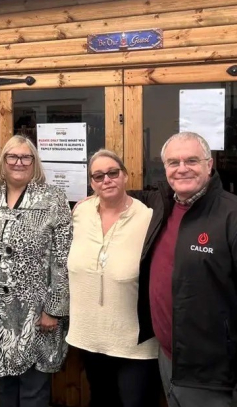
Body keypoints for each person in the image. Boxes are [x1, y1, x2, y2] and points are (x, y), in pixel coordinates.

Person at [134, 131, 237, 407]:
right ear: (164, 168)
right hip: (169, 359)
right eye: (173, 162)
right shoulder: (163, 206)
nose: (182, 169)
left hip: (216, 378)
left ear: (209, 164)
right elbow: (129, 195)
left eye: (191, 160)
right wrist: (98, 198)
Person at [0, 135, 72, 407]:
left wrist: (54, 309)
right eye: (12, 157)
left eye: (25, 157)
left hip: (34, 314)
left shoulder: (52, 198)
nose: (19, 162)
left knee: (34, 391)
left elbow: (64, 258)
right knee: (2, 388)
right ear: (3, 161)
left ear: (34, 162)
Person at [67, 149, 159, 407]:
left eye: (112, 173)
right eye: (98, 176)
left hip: (133, 340)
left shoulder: (148, 217)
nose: (106, 180)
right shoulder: (80, 213)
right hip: (91, 336)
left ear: (126, 176)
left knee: (135, 403)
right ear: (91, 183)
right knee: (101, 399)